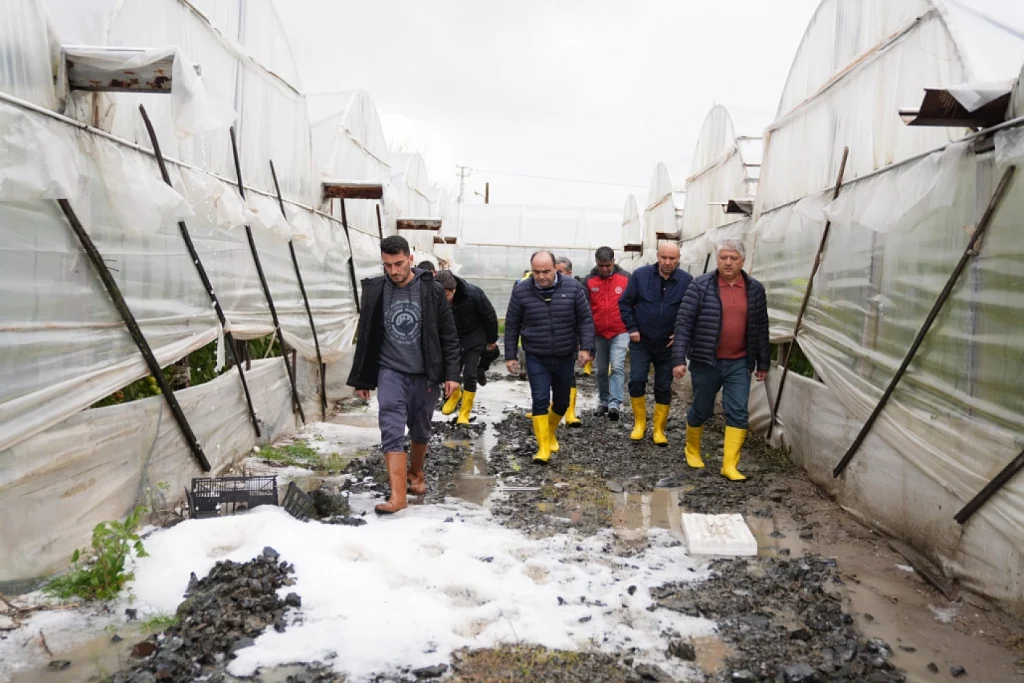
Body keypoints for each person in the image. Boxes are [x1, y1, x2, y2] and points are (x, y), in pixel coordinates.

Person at [347, 236, 460, 513]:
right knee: (391, 428)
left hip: (424, 373)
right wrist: (362, 378)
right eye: (387, 265)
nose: (394, 271)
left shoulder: (431, 290)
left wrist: (452, 374)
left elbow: (448, 334)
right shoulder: (376, 290)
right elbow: (366, 335)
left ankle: (416, 473)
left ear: (410, 258)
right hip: (390, 371)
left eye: (398, 264)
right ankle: (397, 497)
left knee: (420, 428)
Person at [672, 238, 770, 481]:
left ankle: (730, 465)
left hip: (740, 361)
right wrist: (678, 359)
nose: (728, 262)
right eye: (723, 257)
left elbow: (761, 327)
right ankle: (692, 449)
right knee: (702, 408)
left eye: (733, 258)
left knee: (738, 411)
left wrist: (763, 362)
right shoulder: (701, 285)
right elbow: (684, 323)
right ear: (717, 259)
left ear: (743, 261)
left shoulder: (755, 289)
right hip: (707, 360)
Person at [505, 251, 594, 464]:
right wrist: (510, 355)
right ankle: (543, 448)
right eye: (536, 272)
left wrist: (586, 348)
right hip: (536, 354)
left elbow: (585, 320)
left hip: (565, 354)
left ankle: (550, 431)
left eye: (546, 271)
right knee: (540, 399)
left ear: (555, 268)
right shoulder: (521, 290)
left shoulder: (573, 288)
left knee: (562, 402)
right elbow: (512, 324)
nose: (541, 276)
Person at [618, 243, 692, 446]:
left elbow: (692, 311)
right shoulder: (640, 276)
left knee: (663, 385)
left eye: (672, 258)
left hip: (668, 345)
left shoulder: (686, 281)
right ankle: (639, 423)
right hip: (641, 341)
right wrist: (632, 328)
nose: (667, 262)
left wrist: (681, 334)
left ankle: (659, 429)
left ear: (679, 258)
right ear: (657, 256)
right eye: (663, 257)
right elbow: (625, 303)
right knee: (637, 379)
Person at [435, 270, 499, 424]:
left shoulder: (473, 294)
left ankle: (465, 412)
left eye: (447, 295)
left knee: (470, 373)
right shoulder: (435, 297)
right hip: (454, 337)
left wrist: (492, 339)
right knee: (451, 369)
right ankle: (455, 395)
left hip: (475, 336)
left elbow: (489, 315)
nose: (444, 300)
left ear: (454, 290)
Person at [582, 247, 630, 421]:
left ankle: (614, 403)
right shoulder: (588, 281)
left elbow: (633, 303)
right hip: (599, 332)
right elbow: (585, 309)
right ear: (596, 263)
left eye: (607, 265)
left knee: (616, 366)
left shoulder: (626, 279)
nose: (604, 269)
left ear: (613, 262)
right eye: (601, 265)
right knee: (601, 369)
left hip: (620, 330)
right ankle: (603, 401)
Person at [552, 256, 585, 424]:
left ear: (569, 273)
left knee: (568, 375)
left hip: (568, 340)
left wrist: (585, 344)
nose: (555, 275)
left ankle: (570, 413)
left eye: (560, 272)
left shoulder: (577, 290)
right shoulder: (544, 288)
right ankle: (548, 407)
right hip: (547, 341)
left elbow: (585, 317)